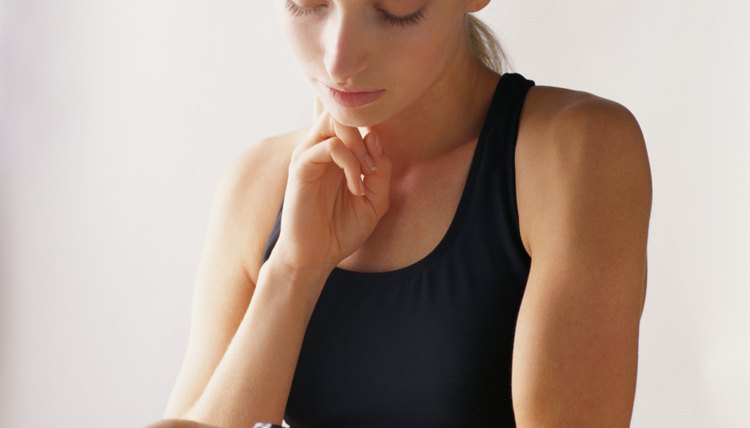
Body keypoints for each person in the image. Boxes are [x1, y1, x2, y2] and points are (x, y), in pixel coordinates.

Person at [145, 0, 652, 427]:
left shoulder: (575, 152)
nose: (338, 59)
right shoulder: (256, 183)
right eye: (308, 0)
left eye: (395, 9)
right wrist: (293, 271)